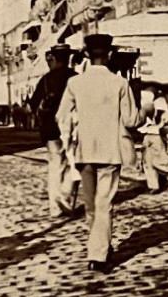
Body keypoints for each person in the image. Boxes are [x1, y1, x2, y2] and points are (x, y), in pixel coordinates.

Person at [56, 33, 143, 272]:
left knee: (92, 206)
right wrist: (144, 109)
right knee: (104, 203)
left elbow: (61, 117)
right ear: (110, 54)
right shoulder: (119, 83)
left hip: (84, 153)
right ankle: (99, 254)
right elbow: (131, 120)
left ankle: (99, 247)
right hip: (110, 152)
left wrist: (69, 145)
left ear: (85, 55)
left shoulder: (75, 83)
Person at [30, 45, 78, 217]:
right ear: (68, 58)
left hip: (51, 129)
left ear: (55, 58)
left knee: (55, 166)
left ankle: (55, 207)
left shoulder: (45, 80)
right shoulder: (75, 77)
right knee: (74, 163)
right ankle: (66, 198)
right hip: (73, 128)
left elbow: (33, 103)